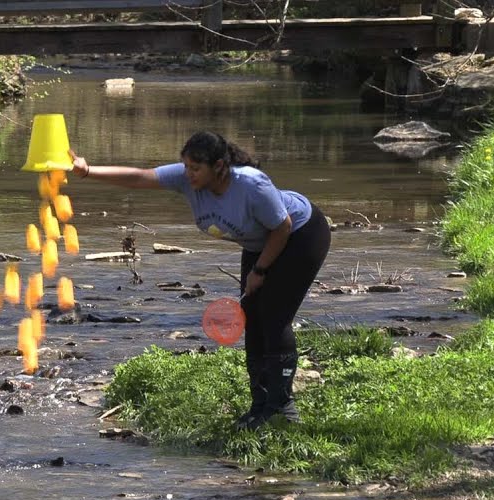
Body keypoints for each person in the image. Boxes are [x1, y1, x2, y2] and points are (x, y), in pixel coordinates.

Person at [69, 131, 331, 429]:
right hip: (260, 246)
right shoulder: (187, 179)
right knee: (253, 320)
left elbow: (282, 227)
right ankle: (261, 406)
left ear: (218, 166)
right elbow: (140, 177)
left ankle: (282, 407)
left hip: (300, 235)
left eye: (196, 168)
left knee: (274, 317)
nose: (188, 173)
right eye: (186, 166)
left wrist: (259, 272)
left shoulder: (251, 184)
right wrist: (88, 172)